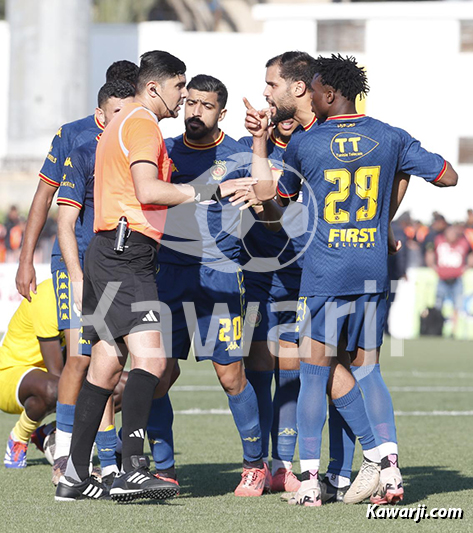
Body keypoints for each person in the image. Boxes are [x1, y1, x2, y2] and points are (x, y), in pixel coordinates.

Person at [55, 52, 255, 502]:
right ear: (153, 88)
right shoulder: (143, 124)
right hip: (127, 254)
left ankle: (74, 475)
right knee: (153, 362)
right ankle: (132, 468)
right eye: (179, 87)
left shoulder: (120, 124)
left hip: (110, 252)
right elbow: (148, 190)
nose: (183, 97)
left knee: (106, 365)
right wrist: (211, 189)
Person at [268, 54, 457, 506]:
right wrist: (384, 215)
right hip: (371, 271)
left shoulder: (305, 143)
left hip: (324, 272)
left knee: (314, 373)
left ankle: (309, 482)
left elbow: (281, 202)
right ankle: (390, 471)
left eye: (315, 89)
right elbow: (447, 175)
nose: (311, 95)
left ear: (330, 93)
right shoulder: (391, 136)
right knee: (368, 370)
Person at [148, 74, 268, 497]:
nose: (195, 111)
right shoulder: (164, 150)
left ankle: (254, 464)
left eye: (206, 105)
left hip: (220, 276)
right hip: (168, 274)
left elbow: (266, 195)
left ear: (222, 112)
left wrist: (260, 152)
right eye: (191, 103)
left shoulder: (237, 153)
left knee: (231, 376)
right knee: (157, 374)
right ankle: (164, 469)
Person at [237, 51, 318, 493]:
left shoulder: (315, 143)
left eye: (274, 88)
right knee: (257, 363)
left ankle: (284, 462)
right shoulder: (253, 147)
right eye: (267, 91)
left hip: (300, 273)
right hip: (257, 273)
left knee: (292, 363)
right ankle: (256, 464)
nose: (270, 100)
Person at [52, 80, 135, 485]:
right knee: (80, 359)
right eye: (117, 113)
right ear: (101, 116)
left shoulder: (138, 152)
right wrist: (76, 276)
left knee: (109, 362)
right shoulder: (83, 150)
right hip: (80, 268)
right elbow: (63, 219)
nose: (125, 120)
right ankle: (65, 455)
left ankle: (110, 461)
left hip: (119, 270)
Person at [15, 60, 139, 302]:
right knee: (77, 327)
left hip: (120, 261)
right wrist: (25, 260)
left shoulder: (143, 135)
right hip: (73, 257)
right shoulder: (72, 134)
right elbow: (44, 195)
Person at [1, 279, 64, 468]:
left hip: (48, 376)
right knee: (58, 388)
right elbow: (58, 376)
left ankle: (49, 432)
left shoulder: (99, 295)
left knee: (121, 386)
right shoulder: (48, 295)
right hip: (9, 374)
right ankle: (19, 437)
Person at [426, 224, 473, 336]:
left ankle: (454, 331)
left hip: (457, 279)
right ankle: (437, 329)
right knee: (438, 305)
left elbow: (470, 253)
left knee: (457, 305)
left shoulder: (463, 242)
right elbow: (430, 252)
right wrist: (433, 266)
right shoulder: (438, 240)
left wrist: (467, 267)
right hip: (442, 279)